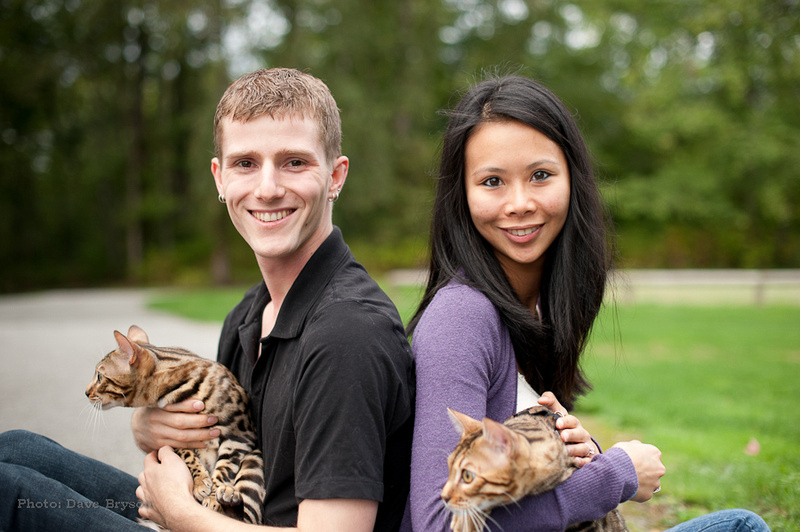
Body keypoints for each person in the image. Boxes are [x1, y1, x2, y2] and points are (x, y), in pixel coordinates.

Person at [0, 67, 414, 532]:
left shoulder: (348, 334)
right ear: (219, 178)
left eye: (295, 162)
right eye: (245, 163)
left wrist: (179, 514)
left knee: (6, 493)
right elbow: (226, 447)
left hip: (208, 521)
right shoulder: (249, 314)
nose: (268, 188)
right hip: (225, 514)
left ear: (336, 176)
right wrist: (149, 422)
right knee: (16, 449)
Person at [400, 74, 769, 532]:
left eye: (540, 175)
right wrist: (613, 476)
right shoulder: (460, 319)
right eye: (493, 181)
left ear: (573, 177)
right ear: (463, 194)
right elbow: (440, 525)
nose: (519, 203)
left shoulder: (538, 305)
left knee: (739, 524)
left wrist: (577, 455)